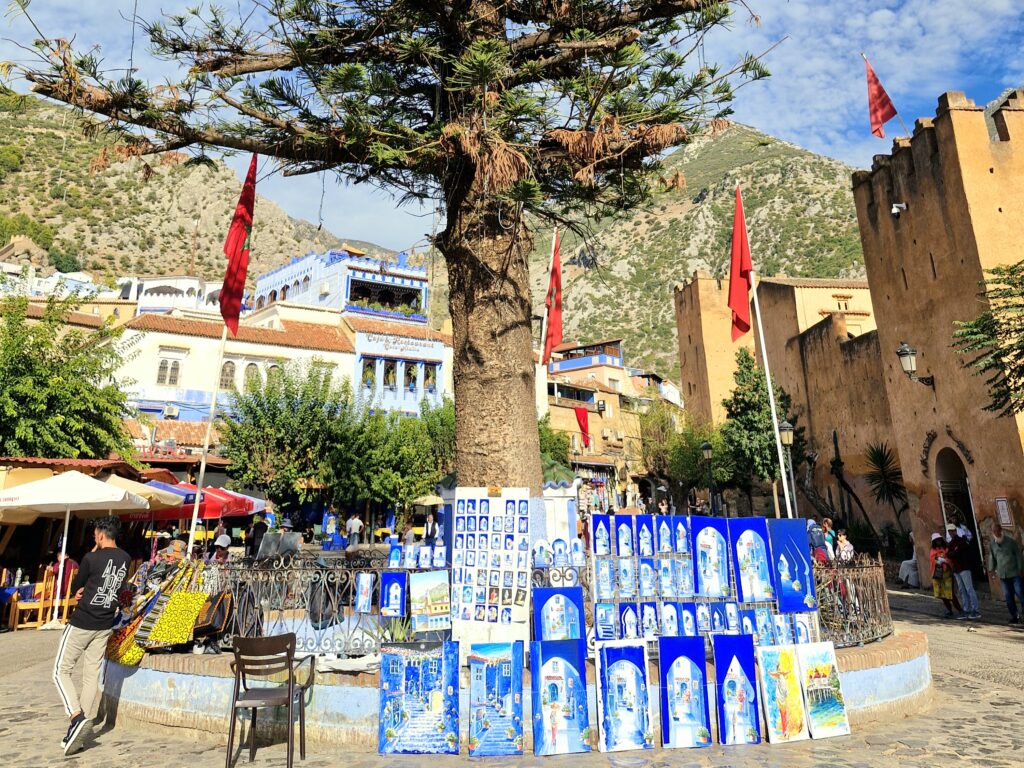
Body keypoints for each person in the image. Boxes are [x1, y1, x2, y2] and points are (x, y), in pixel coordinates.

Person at [52, 517, 130, 756]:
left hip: (82, 622)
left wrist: (94, 553)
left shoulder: (91, 557)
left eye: (95, 534)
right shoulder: (126, 559)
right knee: (90, 676)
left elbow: (76, 585)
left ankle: (76, 716)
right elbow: (114, 586)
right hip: (104, 624)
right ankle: (80, 731)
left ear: (100, 535)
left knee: (60, 671)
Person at [987, 523, 1024, 624]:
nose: (995, 533)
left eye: (996, 530)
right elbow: (992, 557)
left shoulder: (1010, 542)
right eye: (993, 531)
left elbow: (1018, 555)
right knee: (1008, 597)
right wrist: (991, 570)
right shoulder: (992, 544)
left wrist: (1021, 569)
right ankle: (1015, 616)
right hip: (1003, 575)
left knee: (1020, 593)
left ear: (1000, 530)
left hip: (1015, 572)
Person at [945, 523, 981, 620]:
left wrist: (952, 553)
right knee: (962, 590)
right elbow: (949, 554)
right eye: (949, 531)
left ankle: (976, 610)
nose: (951, 532)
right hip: (956, 569)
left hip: (964, 568)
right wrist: (952, 553)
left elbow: (954, 553)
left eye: (952, 531)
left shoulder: (961, 541)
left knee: (969, 589)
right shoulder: (952, 543)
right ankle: (966, 610)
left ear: (955, 531)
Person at [929, 533, 957, 618]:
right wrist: (938, 560)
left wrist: (945, 560)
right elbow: (932, 559)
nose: (938, 542)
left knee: (951, 593)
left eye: (939, 540)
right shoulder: (933, 550)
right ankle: (949, 610)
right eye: (936, 540)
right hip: (938, 574)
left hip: (947, 573)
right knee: (942, 594)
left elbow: (949, 558)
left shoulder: (946, 548)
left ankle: (959, 609)